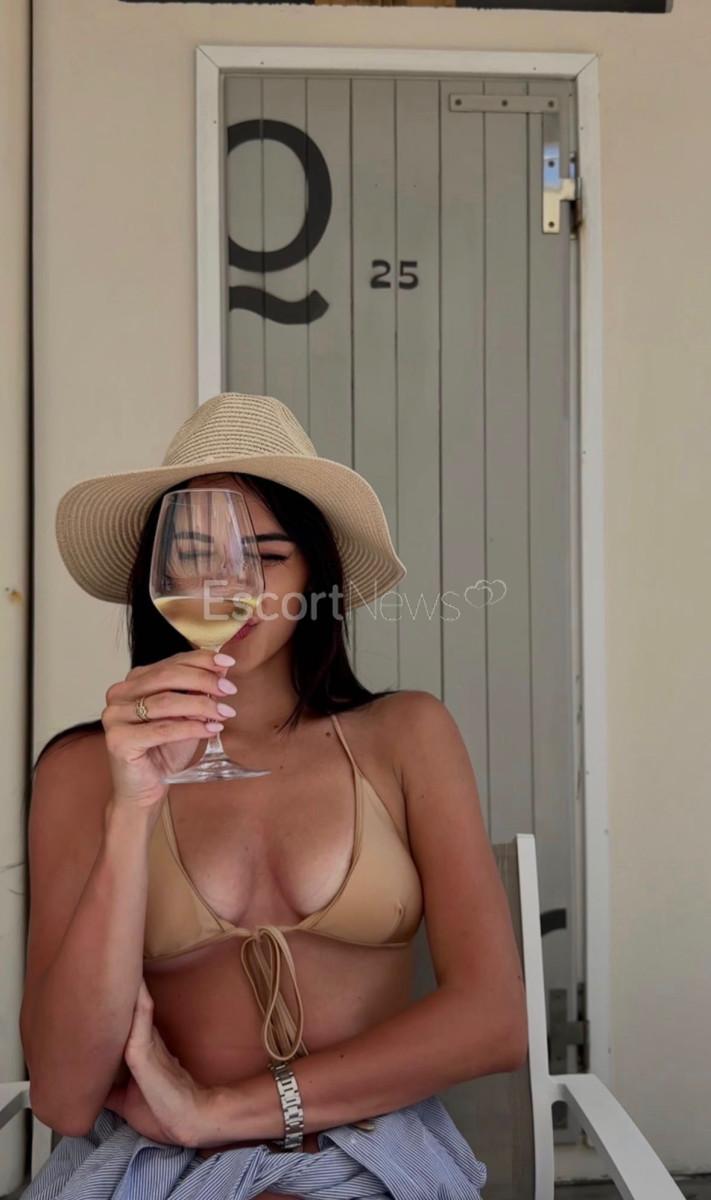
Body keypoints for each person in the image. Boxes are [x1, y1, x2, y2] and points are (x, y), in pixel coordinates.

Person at [19, 392, 527, 1200]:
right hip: (157, 1160)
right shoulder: (83, 769)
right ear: (156, 578)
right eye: (194, 554)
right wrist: (132, 810)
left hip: (368, 1148)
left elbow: (496, 1021)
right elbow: (64, 1095)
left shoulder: (404, 735)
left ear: (313, 574)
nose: (233, 586)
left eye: (266, 554)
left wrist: (218, 1111)